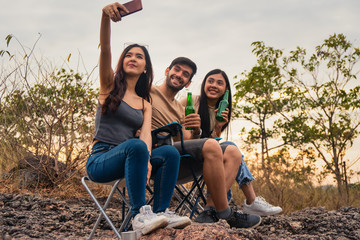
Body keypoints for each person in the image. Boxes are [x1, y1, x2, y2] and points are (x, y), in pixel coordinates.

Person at [85, 3, 190, 236]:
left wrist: (149, 160)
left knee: (170, 153)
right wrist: (105, 17)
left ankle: (161, 212)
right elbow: (105, 49)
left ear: (145, 67)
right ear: (122, 61)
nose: (133, 58)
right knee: (134, 146)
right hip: (101, 159)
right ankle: (139, 215)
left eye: (139, 56)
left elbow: (145, 138)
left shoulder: (145, 103)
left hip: (132, 158)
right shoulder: (109, 86)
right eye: (128, 55)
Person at [150, 57, 261, 228]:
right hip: (159, 158)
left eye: (185, 74)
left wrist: (196, 130)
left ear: (188, 82)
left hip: (183, 160)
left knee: (232, 150)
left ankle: (210, 210)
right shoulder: (149, 92)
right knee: (211, 144)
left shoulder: (180, 109)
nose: (179, 75)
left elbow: (186, 140)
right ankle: (225, 212)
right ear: (167, 71)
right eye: (177, 70)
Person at [180, 69, 282, 216]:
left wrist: (218, 127)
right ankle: (249, 201)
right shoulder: (190, 102)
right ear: (204, 84)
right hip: (187, 158)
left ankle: (218, 206)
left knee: (231, 150)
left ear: (225, 90)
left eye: (219, 83)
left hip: (208, 159)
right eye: (211, 81)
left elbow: (213, 141)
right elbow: (184, 138)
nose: (214, 85)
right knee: (231, 148)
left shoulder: (221, 110)